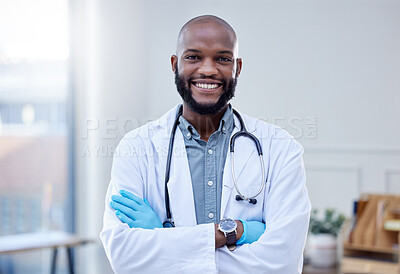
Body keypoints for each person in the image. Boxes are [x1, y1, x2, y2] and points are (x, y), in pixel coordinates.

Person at [100, 15, 311, 273]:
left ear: (238, 67)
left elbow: (282, 263)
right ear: (175, 64)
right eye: (193, 57)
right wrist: (232, 233)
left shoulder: (281, 148)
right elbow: (124, 256)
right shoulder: (135, 148)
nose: (208, 70)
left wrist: (164, 239)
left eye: (222, 58)